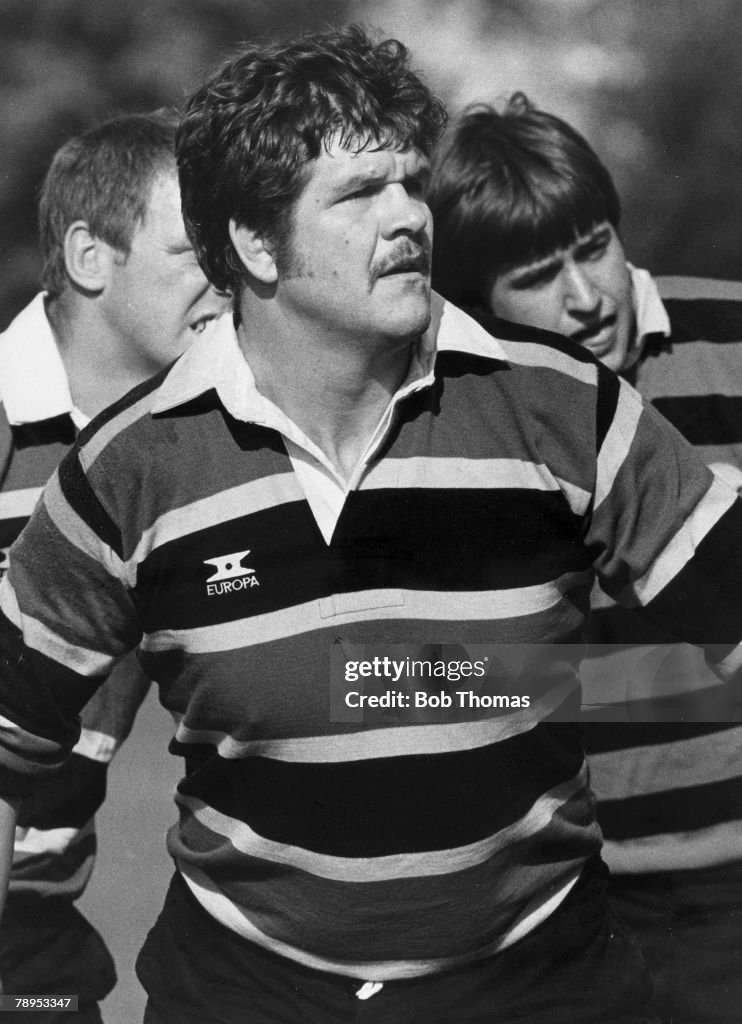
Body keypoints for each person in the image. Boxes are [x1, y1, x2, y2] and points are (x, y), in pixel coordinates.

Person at [2, 26, 742, 1024]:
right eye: (357, 194)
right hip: (240, 990)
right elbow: (20, 743)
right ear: (255, 247)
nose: (406, 217)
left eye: (408, 182)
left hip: (545, 981)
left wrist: (465, 681)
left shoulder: (569, 408)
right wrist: (35, 988)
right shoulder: (126, 469)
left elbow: (718, 640)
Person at [428, 92, 742, 1024]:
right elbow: (434, 682)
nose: (586, 296)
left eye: (593, 245)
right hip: (572, 902)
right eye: (537, 274)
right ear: (479, 299)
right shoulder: (464, 419)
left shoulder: (732, 340)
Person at [0, 111, 227, 1022]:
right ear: (92, 258)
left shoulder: (187, 454)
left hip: (43, 939)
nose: (231, 282)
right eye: (193, 252)